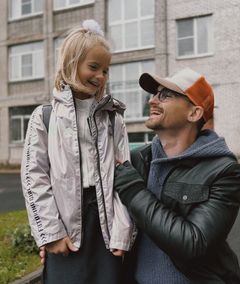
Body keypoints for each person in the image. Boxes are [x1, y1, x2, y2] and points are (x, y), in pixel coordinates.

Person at [21, 19, 135, 284]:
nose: (101, 76)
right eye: (93, 67)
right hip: (64, 224)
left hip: (104, 224)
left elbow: (124, 178)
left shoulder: (113, 119)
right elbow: (33, 177)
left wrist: (123, 230)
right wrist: (50, 233)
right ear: (72, 64)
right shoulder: (45, 117)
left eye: (106, 70)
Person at [114, 68, 240, 284]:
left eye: (165, 95)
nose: (152, 101)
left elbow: (193, 243)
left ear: (194, 113)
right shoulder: (136, 160)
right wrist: (53, 239)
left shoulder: (224, 171)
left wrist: (134, 191)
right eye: (154, 94)